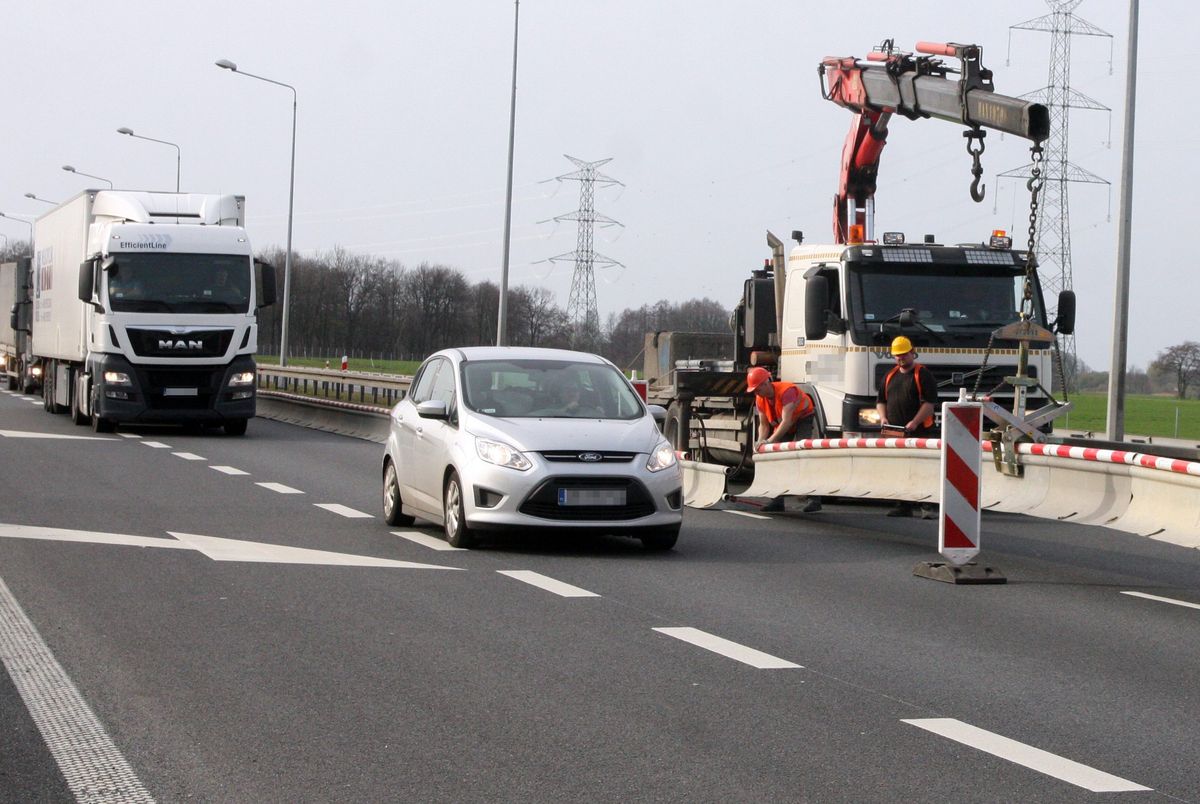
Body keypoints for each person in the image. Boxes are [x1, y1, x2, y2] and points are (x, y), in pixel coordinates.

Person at [876, 336, 939, 518]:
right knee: (900, 468)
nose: (900, 358)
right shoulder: (890, 376)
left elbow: (929, 404)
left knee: (921, 467)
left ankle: (926, 505)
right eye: (897, 356)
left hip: (919, 431)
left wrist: (915, 422)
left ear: (912, 352)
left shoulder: (922, 374)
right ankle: (903, 505)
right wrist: (883, 418)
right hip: (894, 431)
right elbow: (881, 401)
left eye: (904, 355)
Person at [747, 366, 822, 513]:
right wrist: (761, 441)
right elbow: (763, 424)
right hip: (785, 423)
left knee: (805, 455)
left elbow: (787, 421)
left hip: (802, 418)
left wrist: (770, 441)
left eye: (758, 389)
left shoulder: (787, 392)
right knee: (777, 458)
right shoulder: (760, 399)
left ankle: (815, 499)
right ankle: (777, 500)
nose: (756, 392)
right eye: (754, 390)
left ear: (766, 383)